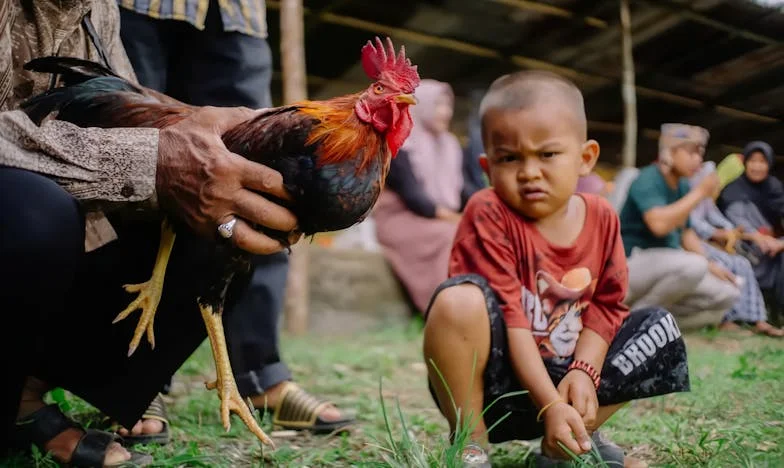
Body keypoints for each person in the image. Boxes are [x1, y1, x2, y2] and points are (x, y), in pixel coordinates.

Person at [0, 1, 297, 466]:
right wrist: (149, 160)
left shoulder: (99, 9)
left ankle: (27, 387)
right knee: (34, 212)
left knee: (214, 233)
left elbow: (118, 109)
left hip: (58, 243)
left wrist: (182, 135)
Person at [422, 71, 689, 467]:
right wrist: (548, 404)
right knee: (458, 301)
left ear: (586, 158)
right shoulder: (489, 211)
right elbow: (512, 317)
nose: (529, 171)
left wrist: (584, 371)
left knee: (659, 329)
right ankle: (470, 444)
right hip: (502, 387)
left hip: (571, 381)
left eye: (547, 155)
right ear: (487, 165)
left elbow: (608, 306)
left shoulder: (602, 217)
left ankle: (569, 440)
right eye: (510, 158)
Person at [117, 0, 355, 439]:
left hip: (235, 12)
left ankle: (260, 375)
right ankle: (135, 379)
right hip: (138, 6)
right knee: (145, 161)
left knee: (265, 181)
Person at [619, 124, 740, 331]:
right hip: (632, 264)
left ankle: (659, 326)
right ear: (669, 152)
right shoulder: (647, 178)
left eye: (700, 153)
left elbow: (686, 233)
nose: (698, 159)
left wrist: (711, 265)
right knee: (694, 266)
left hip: (667, 265)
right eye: (692, 152)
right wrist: (700, 193)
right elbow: (658, 225)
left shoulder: (683, 185)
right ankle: (632, 323)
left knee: (728, 293)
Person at [373, 79, 468, 314]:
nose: (445, 112)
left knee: (468, 233)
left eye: (448, 105)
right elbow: (414, 197)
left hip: (436, 217)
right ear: (420, 105)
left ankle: (469, 307)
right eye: (438, 105)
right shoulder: (399, 141)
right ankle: (440, 310)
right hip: (400, 219)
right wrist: (456, 219)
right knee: (451, 235)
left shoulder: (449, 145)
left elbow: (463, 189)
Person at [689, 163, 784, 337]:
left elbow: (716, 217)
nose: (715, 183)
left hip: (709, 244)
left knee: (742, 263)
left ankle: (758, 320)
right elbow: (693, 224)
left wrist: (732, 231)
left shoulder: (706, 201)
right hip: (692, 244)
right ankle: (727, 320)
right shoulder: (689, 195)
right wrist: (718, 233)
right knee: (724, 264)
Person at [719, 141, 784, 314]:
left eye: (762, 161)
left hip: (772, 248)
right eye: (752, 161)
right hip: (744, 247)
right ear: (745, 163)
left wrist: (779, 243)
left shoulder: (775, 187)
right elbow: (734, 221)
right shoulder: (734, 190)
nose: (757, 166)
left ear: (769, 164)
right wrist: (757, 237)